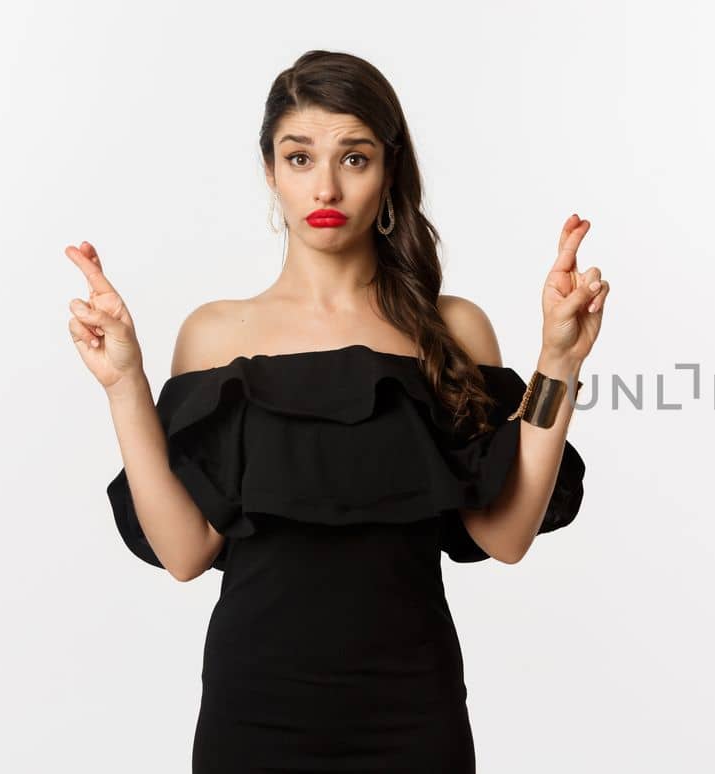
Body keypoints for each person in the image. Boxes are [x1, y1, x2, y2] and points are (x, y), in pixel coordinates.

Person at [63, 50, 610, 772]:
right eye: (299, 158)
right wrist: (125, 383)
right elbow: (184, 552)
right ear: (270, 172)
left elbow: (506, 533)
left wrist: (558, 364)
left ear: (388, 172)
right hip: (254, 712)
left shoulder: (452, 328)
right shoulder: (214, 334)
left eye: (354, 158)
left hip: (414, 715)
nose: (325, 184)